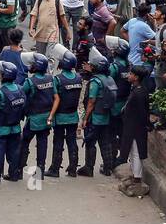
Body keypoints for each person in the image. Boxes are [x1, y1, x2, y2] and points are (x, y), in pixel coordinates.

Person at [0, 60, 26, 183]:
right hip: (16, 127)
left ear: (3, 76)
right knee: (13, 152)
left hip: (1, 128)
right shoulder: (20, 89)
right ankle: (13, 174)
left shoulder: (1, 92)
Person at [116, 64, 154, 198]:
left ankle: (137, 179)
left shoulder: (139, 93)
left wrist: (146, 124)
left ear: (136, 77)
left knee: (136, 152)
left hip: (136, 128)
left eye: (131, 74)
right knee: (132, 152)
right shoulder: (137, 90)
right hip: (131, 127)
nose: (129, 76)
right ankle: (134, 175)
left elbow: (143, 113)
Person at [79, 47, 117, 177]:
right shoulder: (109, 79)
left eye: (91, 66)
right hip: (106, 116)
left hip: (95, 117)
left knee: (90, 142)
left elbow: (91, 102)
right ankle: (108, 168)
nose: (88, 67)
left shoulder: (95, 81)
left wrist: (85, 119)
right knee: (105, 142)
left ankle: (89, 168)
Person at [47, 45, 83, 177]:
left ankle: (55, 169)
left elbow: (55, 98)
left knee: (58, 142)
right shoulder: (78, 77)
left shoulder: (57, 79)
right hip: (73, 116)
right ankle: (73, 168)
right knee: (72, 142)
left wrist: (50, 116)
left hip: (60, 117)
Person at [19, 51, 55, 180]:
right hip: (47, 117)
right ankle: (40, 171)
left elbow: (21, 95)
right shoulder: (51, 79)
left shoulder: (30, 82)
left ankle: (19, 169)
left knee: (24, 141)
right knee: (42, 143)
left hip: (33, 118)